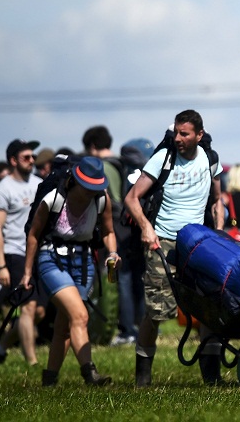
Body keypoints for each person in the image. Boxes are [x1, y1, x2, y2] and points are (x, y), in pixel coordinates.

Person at [124, 110, 223, 387]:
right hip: (163, 241)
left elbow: (217, 200)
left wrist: (219, 231)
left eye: (185, 134)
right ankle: (142, 378)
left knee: (209, 308)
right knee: (157, 312)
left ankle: (212, 378)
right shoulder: (163, 158)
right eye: (176, 133)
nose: (178, 138)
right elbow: (132, 199)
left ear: (199, 136)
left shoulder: (210, 159)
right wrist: (146, 227)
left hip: (199, 243)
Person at [22, 156, 116, 386]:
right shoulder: (53, 199)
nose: (92, 192)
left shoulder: (102, 200)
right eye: (88, 187)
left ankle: (50, 378)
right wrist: (27, 273)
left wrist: (113, 253)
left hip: (83, 262)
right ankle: (90, 374)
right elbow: (33, 234)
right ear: (75, 180)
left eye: (96, 187)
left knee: (65, 326)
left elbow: (108, 231)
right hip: (50, 258)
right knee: (80, 316)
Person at [0, 139, 44, 366]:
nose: (32, 160)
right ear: (13, 160)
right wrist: (2, 265)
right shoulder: (3, 189)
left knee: (39, 312)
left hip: (38, 253)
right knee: (28, 307)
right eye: (26, 157)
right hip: (15, 252)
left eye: (33, 157)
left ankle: (1, 345)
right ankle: (32, 362)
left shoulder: (40, 183)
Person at [110, 137, 155, 347]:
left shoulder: (124, 171)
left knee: (125, 281)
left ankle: (127, 330)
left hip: (124, 233)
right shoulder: (147, 171)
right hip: (143, 231)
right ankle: (142, 323)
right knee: (140, 279)